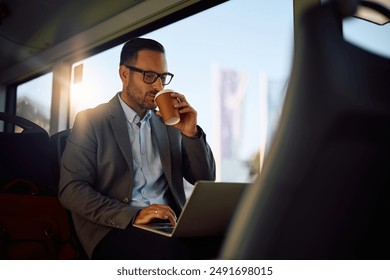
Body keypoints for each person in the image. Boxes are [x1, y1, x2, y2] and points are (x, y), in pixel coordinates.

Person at [58, 38, 217, 259]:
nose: (158, 86)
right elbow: (71, 190)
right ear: (124, 74)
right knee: (172, 254)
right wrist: (133, 215)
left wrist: (191, 133)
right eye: (150, 76)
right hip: (116, 227)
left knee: (227, 240)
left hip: (169, 224)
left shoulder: (169, 124)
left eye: (163, 77)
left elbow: (205, 178)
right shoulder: (91, 120)